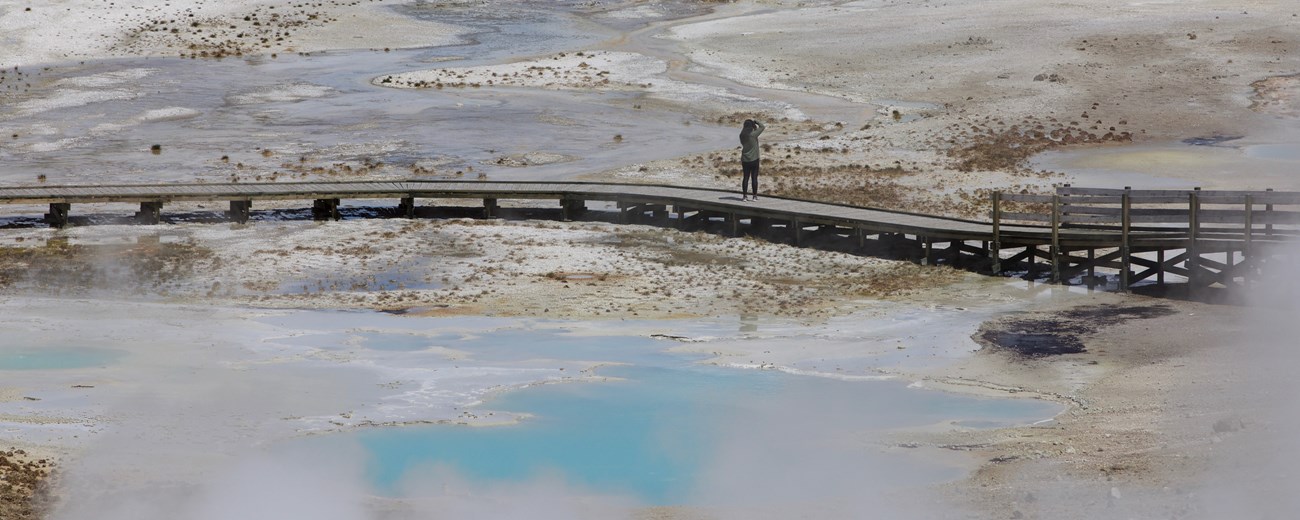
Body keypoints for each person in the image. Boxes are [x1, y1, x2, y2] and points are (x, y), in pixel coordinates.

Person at [739, 118, 765, 201]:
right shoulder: (753, 135)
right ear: (751, 127)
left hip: (745, 159)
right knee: (754, 178)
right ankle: (754, 196)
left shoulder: (742, 135)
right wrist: (756, 121)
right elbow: (762, 127)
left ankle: (744, 196)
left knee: (745, 178)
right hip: (754, 159)